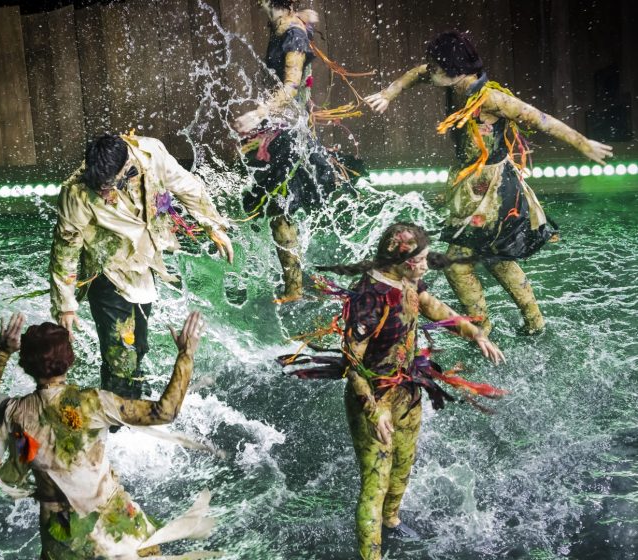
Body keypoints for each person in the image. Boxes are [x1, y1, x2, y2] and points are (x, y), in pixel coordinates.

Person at [280, 222, 505, 560]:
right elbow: (352, 363)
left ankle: (392, 521)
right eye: (422, 259)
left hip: (408, 386)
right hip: (375, 399)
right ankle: (370, 554)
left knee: (403, 465)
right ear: (400, 259)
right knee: (375, 484)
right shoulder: (369, 298)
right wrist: (373, 411)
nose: (427, 265)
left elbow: (433, 306)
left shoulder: (408, 279)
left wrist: (475, 334)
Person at [364, 31, 613, 334]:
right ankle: (532, 322)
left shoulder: (490, 99)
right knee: (496, 256)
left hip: (492, 190)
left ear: (454, 70)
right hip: (473, 184)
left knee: (458, 263)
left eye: (434, 66)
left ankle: (481, 330)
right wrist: (388, 94)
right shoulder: (454, 82)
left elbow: (540, 119)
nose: (428, 70)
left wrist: (582, 143)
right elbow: (415, 74)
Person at [0, 310, 218, 559]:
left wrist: (2, 352)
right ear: (70, 359)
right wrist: (186, 354)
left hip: (64, 534)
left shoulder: (15, 414)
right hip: (116, 521)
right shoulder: (94, 403)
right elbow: (165, 412)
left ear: (25, 364)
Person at [50, 133, 234, 399]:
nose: (102, 192)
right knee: (120, 357)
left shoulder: (152, 153)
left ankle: (131, 401)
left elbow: (187, 186)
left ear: (125, 167)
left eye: (107, 186)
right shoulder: (76, 192)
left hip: (144, 265)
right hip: (106, 273)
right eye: (98, 186)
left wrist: (212, 224)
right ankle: (118, 422)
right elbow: (65, 250)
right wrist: (66, 305)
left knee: (139, 347)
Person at [234, 0, 348, 301]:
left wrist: (258, 114)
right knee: (278, 212)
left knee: (279, 211)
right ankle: (294, 284)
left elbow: (291, 88)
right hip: (280, 128)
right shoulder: (284, 27)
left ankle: (294, 288)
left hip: (287, 132)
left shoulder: (293, 34)